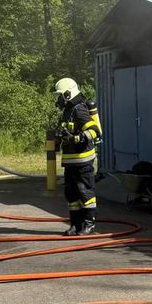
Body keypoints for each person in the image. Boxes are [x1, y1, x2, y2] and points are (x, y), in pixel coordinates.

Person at [54, 77, 101, 235]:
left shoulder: (79, 109)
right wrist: (58, 138)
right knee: (71, 193)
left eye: (59, 95)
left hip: (82, 160)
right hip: (70, 161)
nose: (58, 99)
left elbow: (94, 131)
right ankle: (76, 224)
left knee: (84, 191)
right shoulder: (67, 111)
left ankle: (89, 225)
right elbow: (65, 130)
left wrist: (76, 138)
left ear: (67, 94)